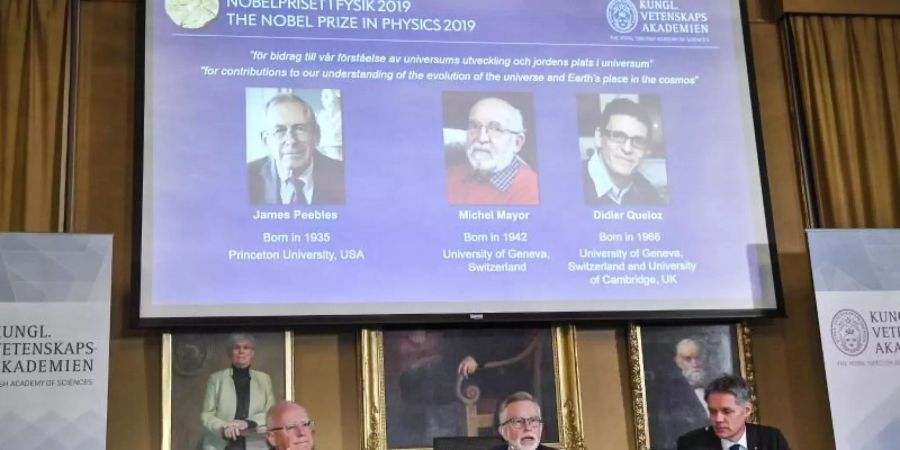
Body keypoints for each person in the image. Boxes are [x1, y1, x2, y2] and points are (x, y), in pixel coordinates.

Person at [248, 92, 346, 205]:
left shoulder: (343, 174)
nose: (291, 140)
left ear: (316, 135)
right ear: (266, 141)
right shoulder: (247, 177)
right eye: (279, 130)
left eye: (300, 129)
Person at [446, 97, 539, 205]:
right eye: (475, 126)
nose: (481, 138)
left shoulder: (532, 190)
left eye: (496, 129)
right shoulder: (450, 174)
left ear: (517, 143)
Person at [583, 97, 665, 205]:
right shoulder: (568, 183)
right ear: (599, 137)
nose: (627, 149)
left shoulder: (649, 194)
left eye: (638, 141)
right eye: (618, 136)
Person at [201, 333, 277, 450]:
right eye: (237, 348)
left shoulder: (264, 379)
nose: (241, 351)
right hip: (221, 444)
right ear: (229, 353)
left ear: (252, 353)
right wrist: (224, 427)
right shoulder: (216, 379)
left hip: (256, 443)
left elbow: (270, 413)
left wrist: (248, 423)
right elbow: (207, 415)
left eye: (246, 348)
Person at [677, 375, 790, 450]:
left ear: (746, 410)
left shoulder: (771, 440)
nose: (718, 419)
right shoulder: (690, 444)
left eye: (726, 411)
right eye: (713, 411)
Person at [649, 338, 712, 449]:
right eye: (688, 359)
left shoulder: (716, 387)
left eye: (698, 358)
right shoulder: (669, 394)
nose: (695, 363)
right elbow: (668, 436)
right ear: (678, 362)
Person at [316, 89, 343, 161]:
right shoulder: (319, 116)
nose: (322, 99)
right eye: (322, 97)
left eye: (326, 96)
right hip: (325, 156)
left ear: (338, 94)